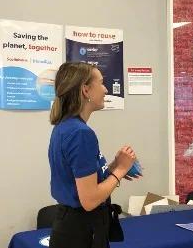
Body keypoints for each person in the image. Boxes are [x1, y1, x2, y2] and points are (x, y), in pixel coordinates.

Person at [48, 62, 138, 248]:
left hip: (70, 227)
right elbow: (89, 200)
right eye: (102, 83)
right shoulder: (80, 133)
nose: (106, 89)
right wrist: (120, 170)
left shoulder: (65, 127)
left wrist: (114, 165)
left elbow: (82, 179)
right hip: (81, 231)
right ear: (86, 90)